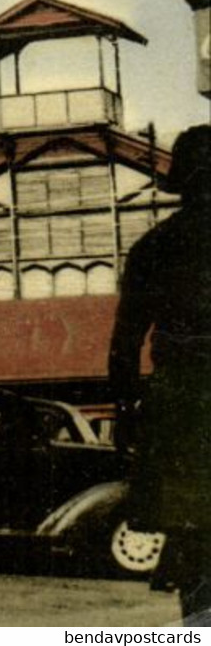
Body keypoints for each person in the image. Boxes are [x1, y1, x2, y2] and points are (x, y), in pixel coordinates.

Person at [109, 124, 211, 625]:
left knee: (192, 535)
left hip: (179, 406)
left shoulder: (153, 246)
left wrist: (125, 412)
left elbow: (124, 345)